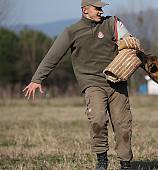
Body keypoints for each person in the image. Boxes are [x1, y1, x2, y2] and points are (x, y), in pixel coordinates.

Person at [23, 0, 134, 169]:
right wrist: (37, 79)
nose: (100, 11)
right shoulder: (71, 32)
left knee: (123, 124)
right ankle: (102, 161)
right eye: (97, 8)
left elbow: (131, 44)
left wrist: (132, 47)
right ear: (85, 10)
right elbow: (53, 56)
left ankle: (125, 164)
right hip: (92, 83)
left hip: (117, 82)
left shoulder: (113, 23)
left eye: (101, 8)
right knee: (97, 119)